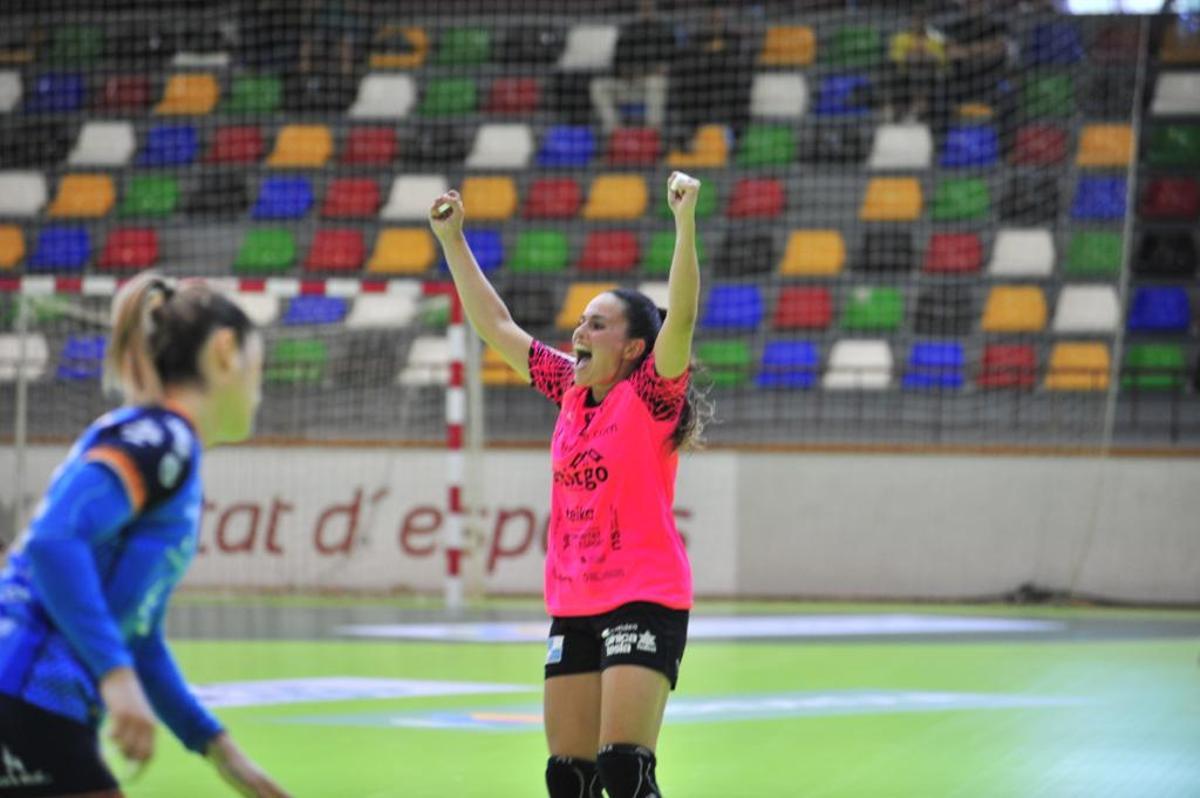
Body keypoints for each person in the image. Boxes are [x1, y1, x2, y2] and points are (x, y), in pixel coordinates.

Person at [429, 172, 710, 798]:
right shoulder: (569, 389)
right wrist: (452, 240)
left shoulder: (650, 396)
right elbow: (496, 327)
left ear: (635, 348)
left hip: (645, 595)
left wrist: (684, 222)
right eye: (581, 321)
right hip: (574, 599)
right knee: (569, 778)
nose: (579, 332)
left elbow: (683, 316)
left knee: (622, 769)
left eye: (598, 325)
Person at [0, 274, 289, 798]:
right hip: (25, 691)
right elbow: (52, 541)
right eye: (258, 369)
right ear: (224, 353)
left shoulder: (162, 448)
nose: (259, 392)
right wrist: (116, 678)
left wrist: (225, 755)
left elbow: (139, 639)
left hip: (33, 702)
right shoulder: (163, 439)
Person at [590, 0, 678, 134]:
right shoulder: (629, 31)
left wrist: (650, 71)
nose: (646, 9)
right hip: (629, 85)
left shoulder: (664, 31)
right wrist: (625, 72)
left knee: (656, 83)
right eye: (643, 6)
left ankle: (652, 133)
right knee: (598, 86)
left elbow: (670, 63)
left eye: (649, 6)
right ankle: (615, 131)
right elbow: (617, 61)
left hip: (650, 86)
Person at [885, 5, 947, 122]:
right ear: (911, 21)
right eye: (916, 19)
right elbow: (895, 57)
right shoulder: (901, 38)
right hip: (906, 75)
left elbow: (941, 59)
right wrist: (916, 56)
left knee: (930, 79)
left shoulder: (934, 39)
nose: (918, 23)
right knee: (897, 78)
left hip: (928, 75)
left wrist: (922, 56)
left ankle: (923, 112)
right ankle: (900, 113)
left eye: (921, 19)